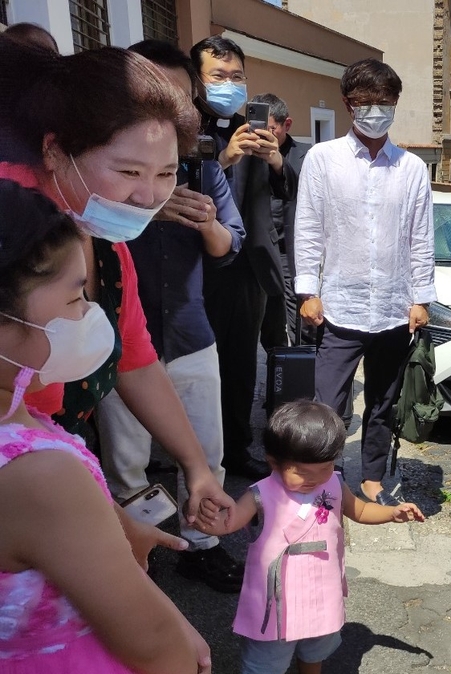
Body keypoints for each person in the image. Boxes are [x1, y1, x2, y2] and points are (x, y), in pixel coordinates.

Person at [0, 40, 235, 563]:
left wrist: (196, 467)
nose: (150, 196)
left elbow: (135, 356)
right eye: (129, 172)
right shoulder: (10, 231)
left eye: (167, 173)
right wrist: (97, 517)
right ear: (55, 151)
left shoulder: (102, 238)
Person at [0, 178, 211, 674]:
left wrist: (114, 527)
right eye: (75, 300)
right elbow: (154, 645)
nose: (90, 315)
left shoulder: (21, 409)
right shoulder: (39, 475)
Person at [92, 38, 247, 593]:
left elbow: (231, 246)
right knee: (126, 460)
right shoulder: (101, 168)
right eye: (151, 93)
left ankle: (202, 545)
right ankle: (138, 550)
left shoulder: (203, 171)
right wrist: (148, 213)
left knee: (206, 453)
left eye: (179, 96)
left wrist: (205, 222)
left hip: (189, 335)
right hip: (115, 342)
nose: (167, 110)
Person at [194, 399, 425, 674]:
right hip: (277, 599)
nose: (315, 479)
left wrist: (391, 513)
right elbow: (228, 523)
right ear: (274, 463)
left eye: (325, 467)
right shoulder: (260, 494)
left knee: (316, 649)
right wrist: (206, 521)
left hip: (321, 591)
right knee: (266, 663)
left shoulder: (335, 483)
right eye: (302, 472)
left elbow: (360, 510)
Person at [294, 58, 436, 506]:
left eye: (385, 102)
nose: (376, 111)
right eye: (366, 103)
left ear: (395, 104)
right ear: (348, 105)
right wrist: (308, 290)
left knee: (383, 400)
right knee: (328, 403)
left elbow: (420, 236)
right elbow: (309, 228)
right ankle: (326, 474)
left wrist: (421, 298)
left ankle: (372, 476)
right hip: (340, 307)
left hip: (394, 308)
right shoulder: (323, 159)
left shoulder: (411, 168)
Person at [190, 35, 294, 480]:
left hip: (245, 272)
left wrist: (274, 162)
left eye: (237, 77)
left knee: (239, 367)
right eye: (218, 75)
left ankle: (235, 448)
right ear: (198, 79)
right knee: (193, 367)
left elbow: (287, 192)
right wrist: (225, 160)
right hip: (194, 271)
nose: (229, 84)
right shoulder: (184, 131)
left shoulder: (250, 130)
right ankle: (188, 452)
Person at [252, 92, 311, 348]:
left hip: (291, 254)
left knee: (301, 324)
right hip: (259, 250)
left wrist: (277, 161)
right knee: (270, 326)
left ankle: (306, 374)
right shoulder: (245, 154)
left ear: (287, 125)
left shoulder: (307, 156)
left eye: (271, 129)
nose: (262, 136)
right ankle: (277, 375)